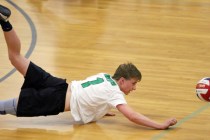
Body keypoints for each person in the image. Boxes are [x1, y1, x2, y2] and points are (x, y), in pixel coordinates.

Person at [0, 4, 177, 130]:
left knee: (16, 57)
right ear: (122, 80)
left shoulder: (105, 76)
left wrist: (101, 109)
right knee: (4, 107)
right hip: (55, 98)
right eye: (133, 83)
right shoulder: (114, 93)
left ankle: (5, 22)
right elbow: (133, 116)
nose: (134, 88)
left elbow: (93, 95)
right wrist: (159, 125)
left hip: (57, 84)